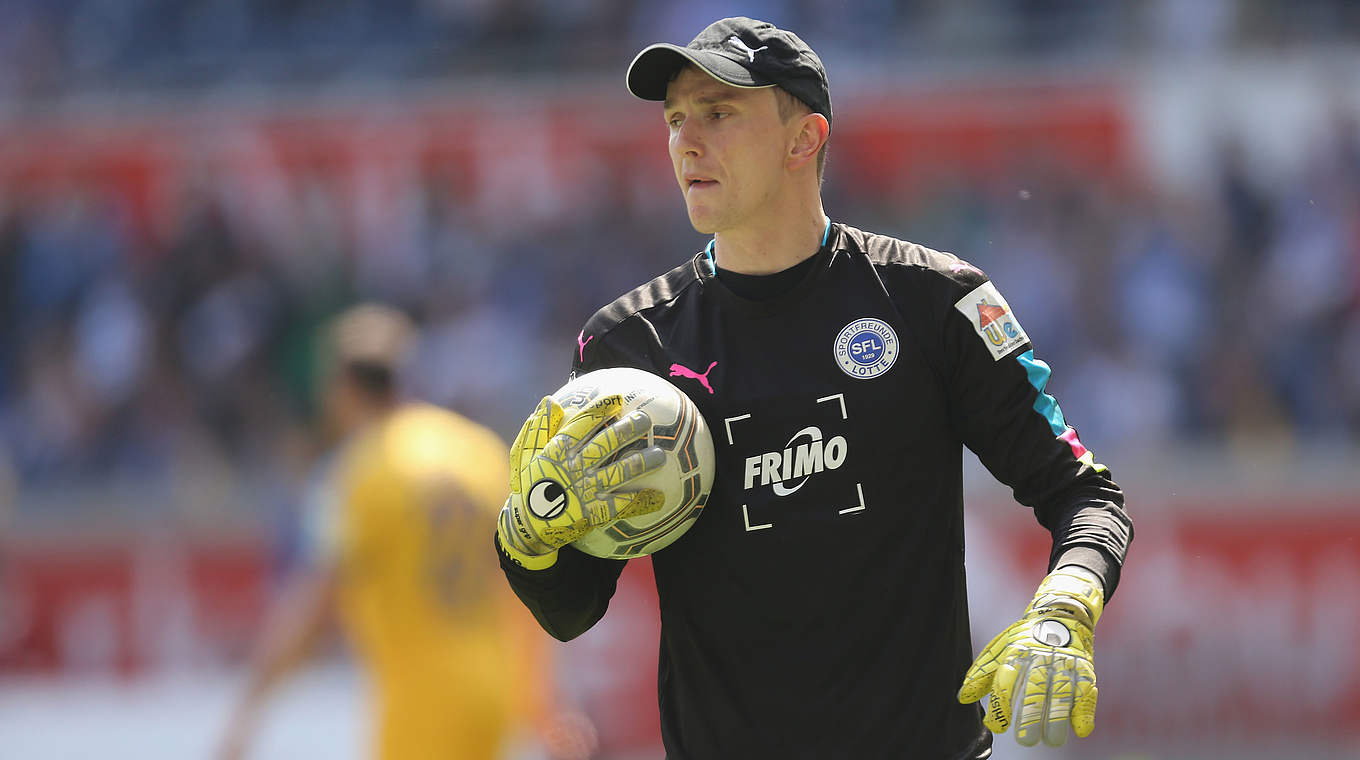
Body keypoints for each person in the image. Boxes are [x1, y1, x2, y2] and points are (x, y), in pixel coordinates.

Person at [495, 17, 1132, 759]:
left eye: (719, 113)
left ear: (805, 140)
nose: (686, 142)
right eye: (675, 119)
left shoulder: (935, 301)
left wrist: (1066, 605)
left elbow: (1082, 493)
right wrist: (527, 539)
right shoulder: (628, 346)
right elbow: (572, 609)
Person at [218, 304, 594, 760]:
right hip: (492, 689)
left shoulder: (361, 472)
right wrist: (543, 700)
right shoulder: (480, 451)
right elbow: (526, 584)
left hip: (421, 697)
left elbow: (315, 601)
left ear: (341, 387)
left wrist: (249, 710)